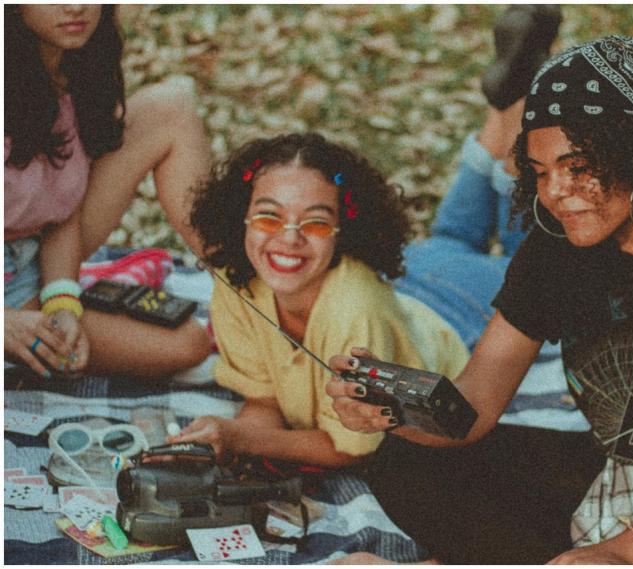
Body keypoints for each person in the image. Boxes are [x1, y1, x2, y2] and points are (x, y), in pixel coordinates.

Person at [327, 36, 633, 564]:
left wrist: (625, 552)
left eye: (578, 166)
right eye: (540, 172)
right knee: (404, 462)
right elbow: (474, 405)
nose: (555, 192)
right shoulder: (557, 245)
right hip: (623, 478)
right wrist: (391, 407)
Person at [166, 5, 565, 468]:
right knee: (453, 235)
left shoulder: (354, 310)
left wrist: (239, 439)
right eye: (270, 218)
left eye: (314, 222)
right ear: (242, 219)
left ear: (342, 229)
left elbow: (353, 448)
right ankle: (513, 98)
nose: (288, 239)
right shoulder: (237, 283)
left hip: (458, 307)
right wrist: (231, 437)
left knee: (526, 248)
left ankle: (525, 105)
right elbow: (265, 399)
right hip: (415, 273)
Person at [4, 5, 212, 379]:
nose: (75, 6)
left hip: (32, 254)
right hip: (10, 296)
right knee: (187, 343)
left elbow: (60, 208)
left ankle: (252, 286)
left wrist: (63, 302)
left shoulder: (76, 66)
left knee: (171, 107)